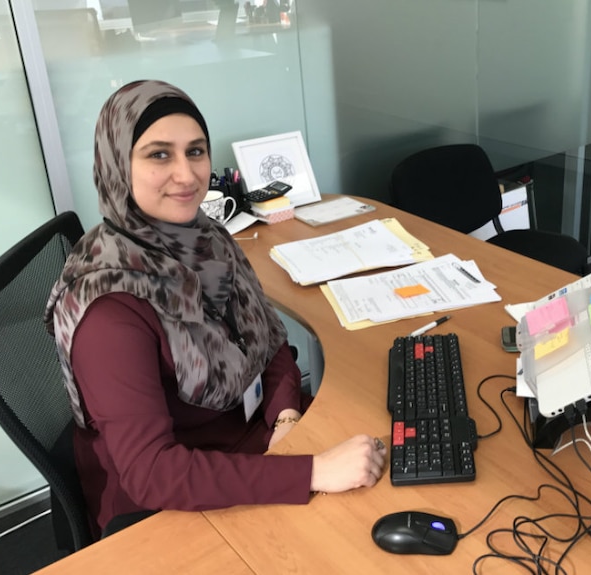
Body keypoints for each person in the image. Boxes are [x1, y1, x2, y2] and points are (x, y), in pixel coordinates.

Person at [44, 79, 387, 536]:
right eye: (159, 154)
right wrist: (312, 472)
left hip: (255, 441)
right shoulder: (109, 310)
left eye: (196, 151)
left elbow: (267, 337)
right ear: (116, 166)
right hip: (175, 502)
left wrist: (285, 416)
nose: (187, 175)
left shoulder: (206, 239)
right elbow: (153, 474)